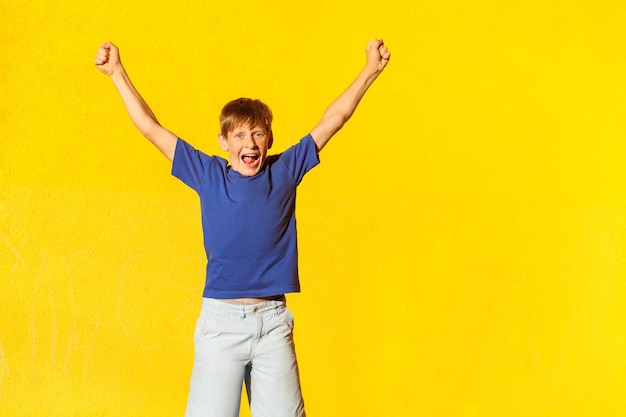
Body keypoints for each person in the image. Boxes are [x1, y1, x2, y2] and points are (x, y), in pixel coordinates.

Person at [94, 38, 390, 417]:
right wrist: (116, 73)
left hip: (272, 325)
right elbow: (151, 128)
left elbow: (334, 119)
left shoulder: (284, 171)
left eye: (257, 134)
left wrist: (370, 70)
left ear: (268, 139)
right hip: (221, 325)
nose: (249, 143)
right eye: (239, 135)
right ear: (224, 141)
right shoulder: (207, 173)